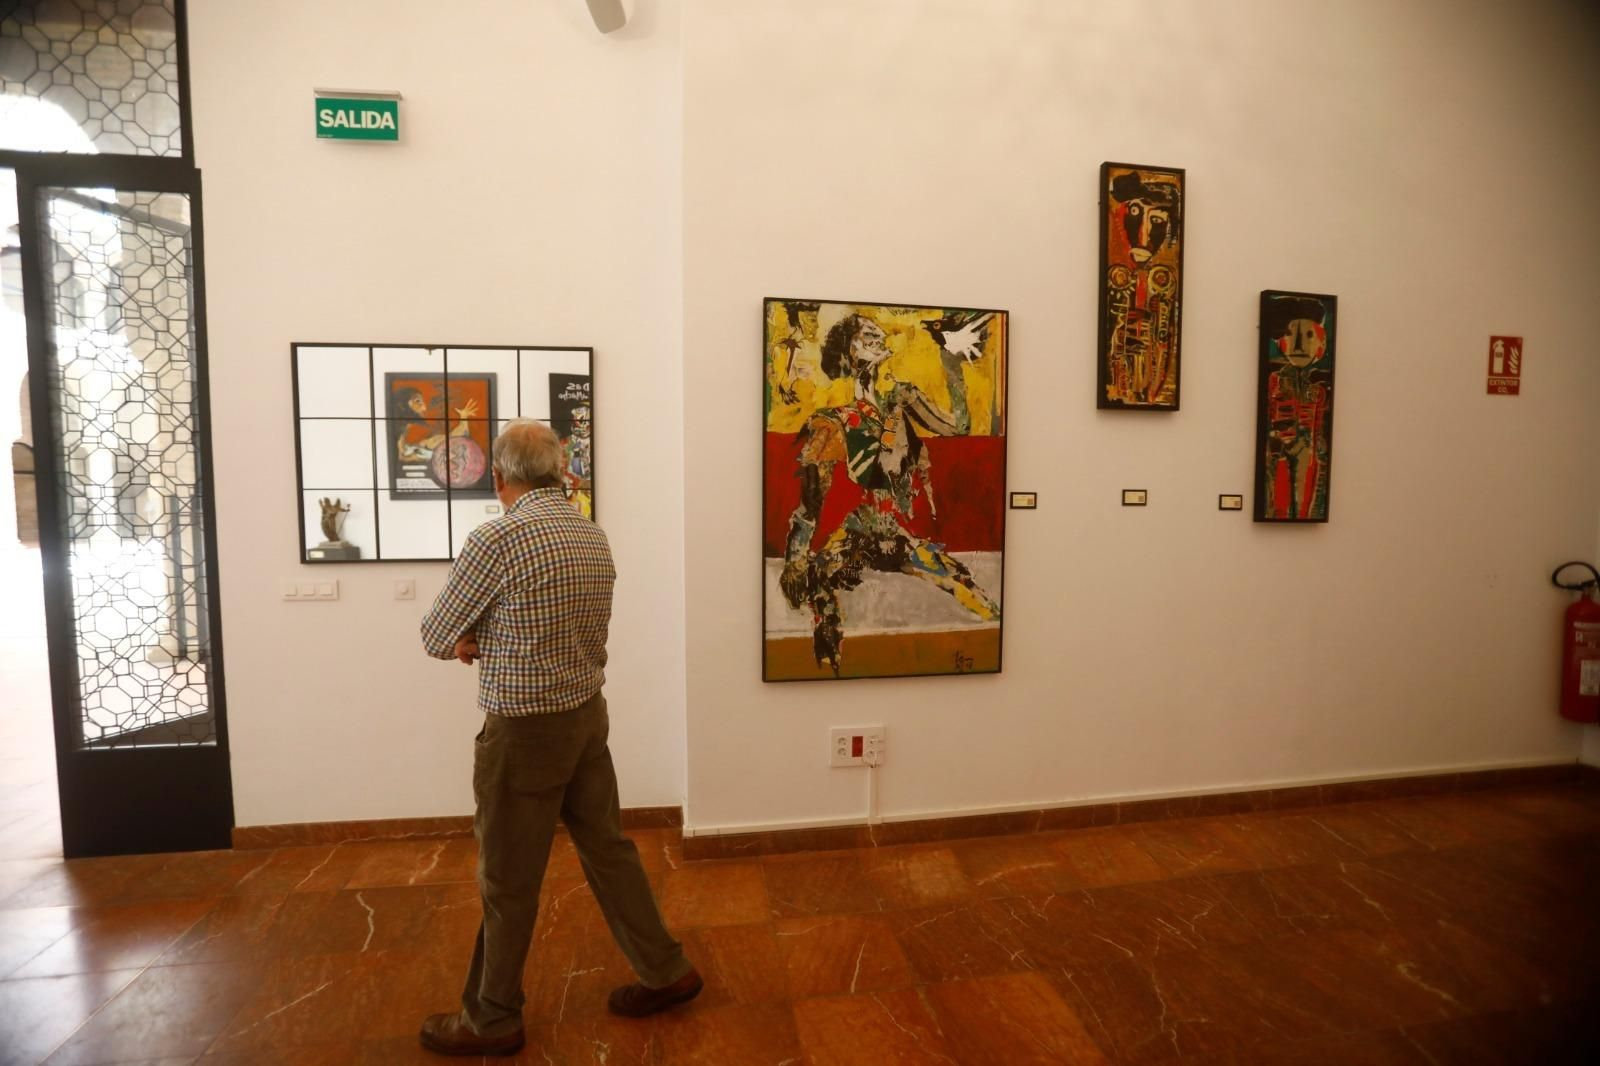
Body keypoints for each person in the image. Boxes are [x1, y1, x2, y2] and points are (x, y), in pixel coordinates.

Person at [417, 419, 700, 1057]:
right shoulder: (589, 533)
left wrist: (474, 639)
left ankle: (492, 1017)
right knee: (610, 850)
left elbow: (437, 634)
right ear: (557, 471)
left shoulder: (498, 538)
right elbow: (552, 623)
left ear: (500, 477)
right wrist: (491, 634)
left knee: (508, 878)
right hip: (584, 716)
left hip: (523, 733)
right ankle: (666, 968)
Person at [779, 311, 1001, 675]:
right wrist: (795, 560)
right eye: (866, 334)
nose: (877, 337)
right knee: (821, 585)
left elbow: (957, 426)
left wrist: (951, 364)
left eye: (877, 332)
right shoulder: (835, 421)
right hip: (858, 538)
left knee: (964, 584)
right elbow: (811, 502)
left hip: (894, 534)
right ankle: (826, 666)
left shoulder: (903, 397)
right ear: (847, 353)